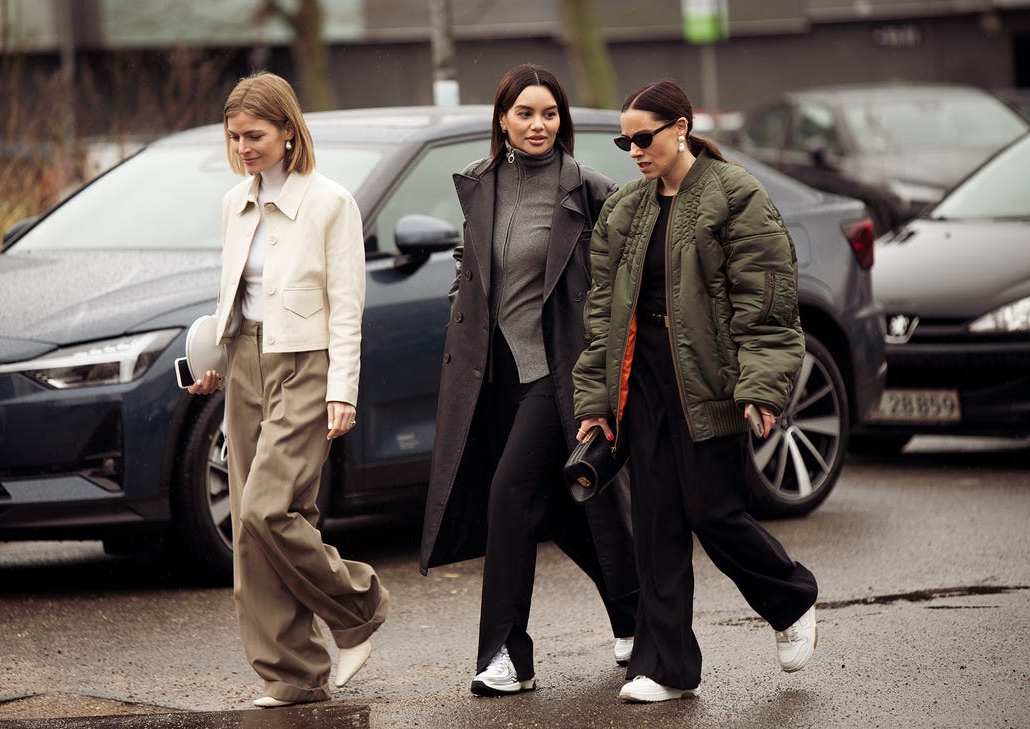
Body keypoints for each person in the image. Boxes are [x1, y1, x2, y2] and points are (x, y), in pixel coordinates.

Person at [572, 79, 819, 704]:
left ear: (681, 126)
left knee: (714, 513)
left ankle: (790, 598)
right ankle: (667, 667)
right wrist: (597, 401)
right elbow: (603, 312)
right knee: (655, 524)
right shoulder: (625, 209)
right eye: (624, 140)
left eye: (644, 137)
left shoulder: (736, 196)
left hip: (710, 382)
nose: (633, 150)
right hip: (645, 383)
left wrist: (761, 387)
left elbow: (766, 302)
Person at [419, 63, 639, 697]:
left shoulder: (590, 191)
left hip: (559, 373)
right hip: (495, 377)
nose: (538, 125)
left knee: (509, 497)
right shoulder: (480, 187)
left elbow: (614, 290)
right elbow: (476, 275)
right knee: (570, 512)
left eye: (549, 114)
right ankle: (636, 618)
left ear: (562, 121)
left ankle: (506, 656)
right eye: (525, 114)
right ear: (502, 120)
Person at [187, 71, 389, 708]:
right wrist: (213, 357)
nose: (244, 146)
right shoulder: (232, 202)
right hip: (244, 362)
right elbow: (233, 295)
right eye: (235, 136)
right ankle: (292, 673)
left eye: (255, 134)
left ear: (287, 132)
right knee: (254, 532)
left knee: (266, 509)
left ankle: (359, 607)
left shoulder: (330, 202)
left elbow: (347, 305)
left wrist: (343, 388)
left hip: (306, 364)